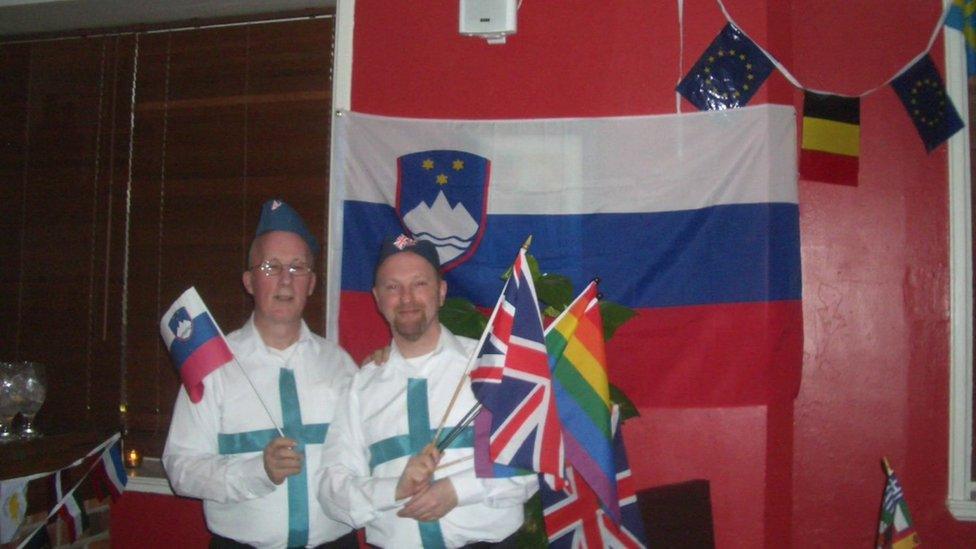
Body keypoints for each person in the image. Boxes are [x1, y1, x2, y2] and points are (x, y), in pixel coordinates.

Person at [317, 234, 538, 548]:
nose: (406, 298)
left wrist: (456, 490)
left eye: (419, 283)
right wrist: (394, 489)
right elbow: (332, 488)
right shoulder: (361, 387)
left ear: (442, 292)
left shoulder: (491, 367)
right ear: (378, 298)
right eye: (393, 287)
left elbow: (529, 461)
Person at [163, 199, 359, 549]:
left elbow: (363, 452)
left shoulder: (340, 364)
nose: (286, 279)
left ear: (312, 283)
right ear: (249, 281)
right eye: (271, 267)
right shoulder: (214, 366)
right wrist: (257, 472)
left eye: (298, 267)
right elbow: (181, 468)